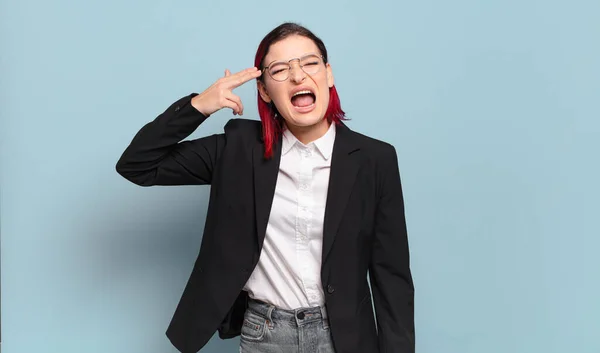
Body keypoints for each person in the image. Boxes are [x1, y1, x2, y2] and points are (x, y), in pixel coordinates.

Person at [116, 22, 414, 353]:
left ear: (328, 75)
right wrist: (199, 105)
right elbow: (137, 165)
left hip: (346, 339)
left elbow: (392, 277)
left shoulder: (374, 159)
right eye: (280, 69)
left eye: (309, 63)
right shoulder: (237, 150)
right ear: (264, 91)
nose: (298, 76)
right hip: (265, 336)